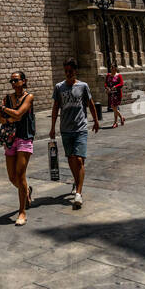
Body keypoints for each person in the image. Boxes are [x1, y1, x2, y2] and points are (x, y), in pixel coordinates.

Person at [49, 59, 99, 210]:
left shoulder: (83, 86)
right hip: (65, 129)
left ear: (75, 71)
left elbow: (90, 104)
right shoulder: (59, 87)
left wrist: (96, 121)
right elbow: (55, 108)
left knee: (79, 160)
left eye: (71, 71)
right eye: (66, 71)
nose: (68, 73)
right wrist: (52, 127)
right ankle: (77, 182)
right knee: (71, 159)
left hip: (80, 128)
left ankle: (78, 193)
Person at [0, 71, 35, 226]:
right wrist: (10, 115)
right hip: (10, 138)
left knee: (20, 175)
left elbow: (20, 114)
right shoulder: (7, 98)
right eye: (11, 81)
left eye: (16, 80)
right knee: (12, 177)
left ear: (23, 81)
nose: (13, 83)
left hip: (25, 137)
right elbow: (0, 119)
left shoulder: (29, 97)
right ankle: (26, 191)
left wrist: (6, 110)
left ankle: (22, 212)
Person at [105, 62, 125, 127]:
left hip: (117, 94)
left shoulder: (119, 75)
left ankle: (115, 122)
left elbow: (121, 84)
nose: (111, 68)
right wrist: (107, 87)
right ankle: (121, 118)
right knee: (113, 107)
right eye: (111, 67)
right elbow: (105, 83)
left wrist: (115, 86)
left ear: (116, 68)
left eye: (113, 67)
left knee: (114, 107)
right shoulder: (108, 75)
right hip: (110, 93)